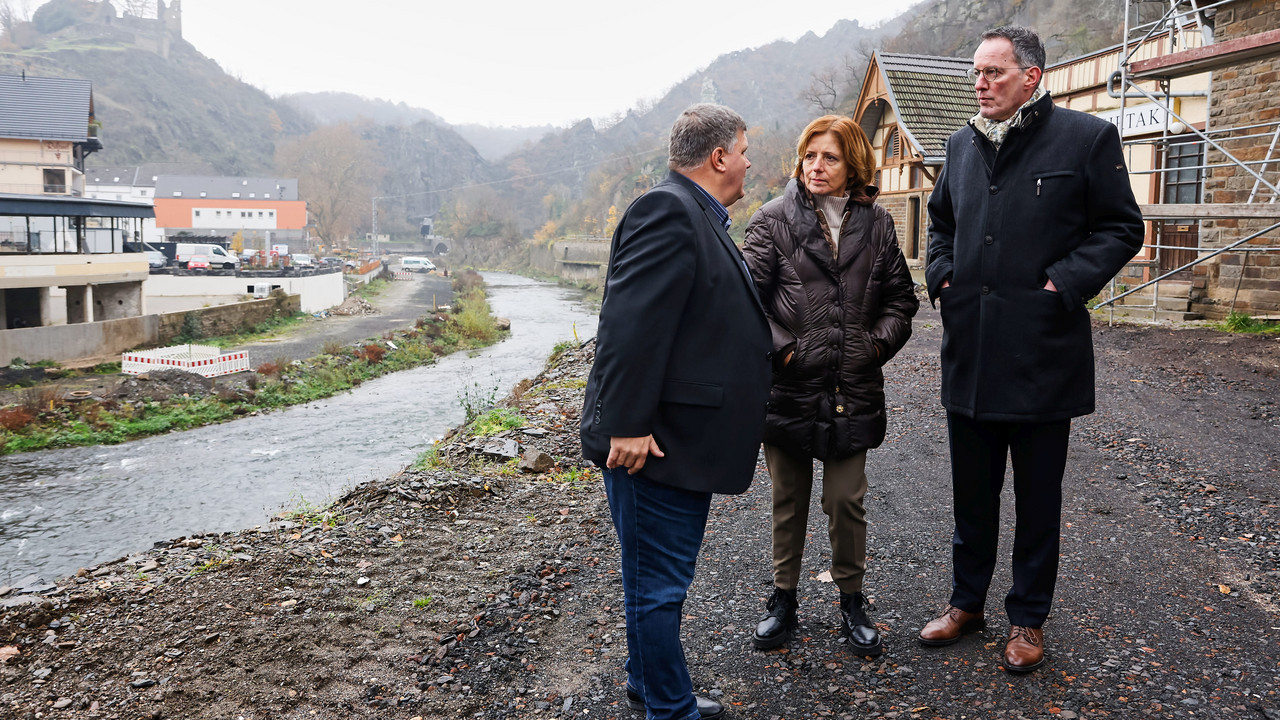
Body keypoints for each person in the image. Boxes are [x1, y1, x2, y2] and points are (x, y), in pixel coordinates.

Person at [922, 26, 1144, 673]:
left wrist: (1063, 285)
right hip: (971, 352)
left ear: (1032, 77)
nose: (981, 84)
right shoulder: (960, 145)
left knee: (1038, 501)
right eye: (976, 74)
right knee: (972, 496)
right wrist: (942, 278)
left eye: (994, 72)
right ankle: (967, 604)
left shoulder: (1085, 139)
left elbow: (1121, 226)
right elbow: (941, 223)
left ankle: (1027, 619)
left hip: (1044, 356)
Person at [580, 103, 771, 720]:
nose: (748, 163)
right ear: (718, 157)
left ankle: (648, 686)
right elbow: (629, 328)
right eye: (743, 151)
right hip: (656, 445)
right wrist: (628, 424)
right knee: (658, 588)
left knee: (654, 583)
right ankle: (670, 708)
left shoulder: (698, 214)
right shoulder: (667, 210)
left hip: (680, 441)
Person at [742, 115, 918, 656]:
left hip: (852, 388)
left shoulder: (879, 225)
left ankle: (851, 601)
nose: (817, 167)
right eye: (810, 156)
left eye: (831, 158)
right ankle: (783, 602)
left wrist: (873, 346)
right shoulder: (771, 220)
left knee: (845, 500)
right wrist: (786, 349)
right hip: (788, 388)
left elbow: (901, 302)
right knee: (788, 499)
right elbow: (744, 302)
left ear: (853, 166)